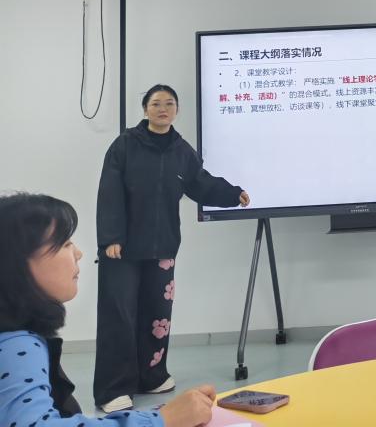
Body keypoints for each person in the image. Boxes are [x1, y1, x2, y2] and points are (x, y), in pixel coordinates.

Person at [94, 85, 250, 413]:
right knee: (119, 317)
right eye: (155, 103)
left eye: (169, 103)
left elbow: (201, 183)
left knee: (157, 315)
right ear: (145, 109)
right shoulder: (124, 145)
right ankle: (113, 389)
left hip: (162, 247)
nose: (163, 108)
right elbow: (109, 192)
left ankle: (151, 376)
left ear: (176, 110)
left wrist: (232, 193)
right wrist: (111, 238)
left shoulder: (181, 150)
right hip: (121, 251)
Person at [0, 192, 217, 427]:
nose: (78, 253)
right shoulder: (16, 344)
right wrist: (161, 420)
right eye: (65, 243)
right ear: (17, 263)